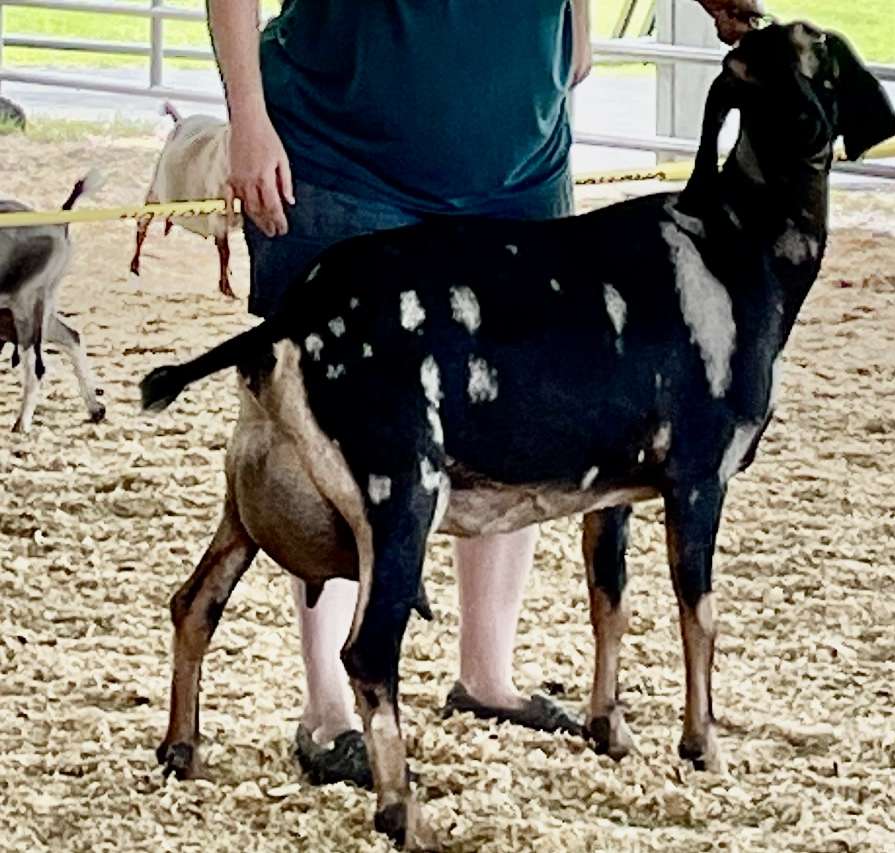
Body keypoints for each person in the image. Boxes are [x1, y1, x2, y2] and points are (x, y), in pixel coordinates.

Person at [206, 0, 762, 788]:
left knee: (524, 410)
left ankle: (485, 676)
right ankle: (330, 708)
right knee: (340, 434)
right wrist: (247, 119)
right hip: (339, 158)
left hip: (514, 165)